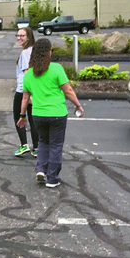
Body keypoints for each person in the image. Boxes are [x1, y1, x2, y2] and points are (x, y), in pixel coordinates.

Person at [19, 38, 84, 188]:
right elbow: (68, 91)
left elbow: (25, 98)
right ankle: (52, 178)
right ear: (49, 52)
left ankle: (41, 169)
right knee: (55, 145)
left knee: (43, 142)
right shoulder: (56, 69)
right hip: (57, 113)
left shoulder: (28, 74)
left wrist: (22, 116)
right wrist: (78, 105)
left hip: (38, 114)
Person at [13, 26, 39, 157]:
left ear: (28, 37)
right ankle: (37, 148)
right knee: (33, 119)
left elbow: (27, 74)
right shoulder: (35, 50)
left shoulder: (25, 53)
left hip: (23, 91)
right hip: (34, 90)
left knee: (19, 117)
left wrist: (27, 94)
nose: (19, 38)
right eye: (18, 35)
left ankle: (24, 145)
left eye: (22, 36)